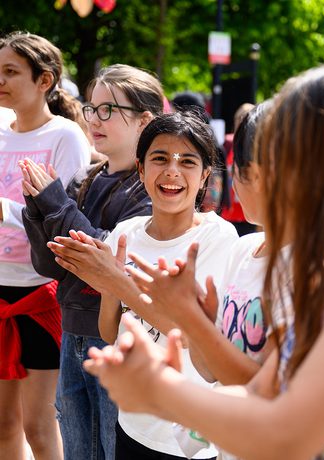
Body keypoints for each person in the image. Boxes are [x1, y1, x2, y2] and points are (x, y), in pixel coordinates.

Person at [84, 60, 324, 459]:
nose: (266, 172)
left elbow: (287, 433)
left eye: (284, 152)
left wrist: (160, 391)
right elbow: (262, 393)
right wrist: (185, 339)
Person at [47, 111, 239, 459]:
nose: (172, 171)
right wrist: (106, 285)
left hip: (190, 435)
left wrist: (116, 281)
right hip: (132, 424)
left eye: (188, 161)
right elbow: (109, 332)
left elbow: (192, 334)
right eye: (160, 158)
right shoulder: (126, 233)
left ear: (205, 174)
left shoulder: (216, 236)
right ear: (141, 169)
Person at [20, 63, 164, 460]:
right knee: (78, 450)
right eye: (91, 108)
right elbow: (50, 265)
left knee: (112, 449)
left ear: (144, 120)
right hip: (71, 330)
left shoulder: (150, 188)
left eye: (108, 110)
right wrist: (37, 209)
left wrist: (53, 203)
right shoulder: (85, 178)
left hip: (116, 336)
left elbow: (108, 254)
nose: (94, 119)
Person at [0, 31, 91, 460]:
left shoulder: (66, 136)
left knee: (39, 426)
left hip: (43, 293)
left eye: (10, 71)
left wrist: (6, 210)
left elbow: (67, 217)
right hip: (1, 289)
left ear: (45, 80)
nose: (0, 80)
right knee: (3, 426)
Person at [221, 102, 256, 236]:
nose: (243, 122)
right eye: (240, 118)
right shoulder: (227, 143)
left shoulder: (259, 148)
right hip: (227, 215)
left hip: (251, 216)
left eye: (247, 118)